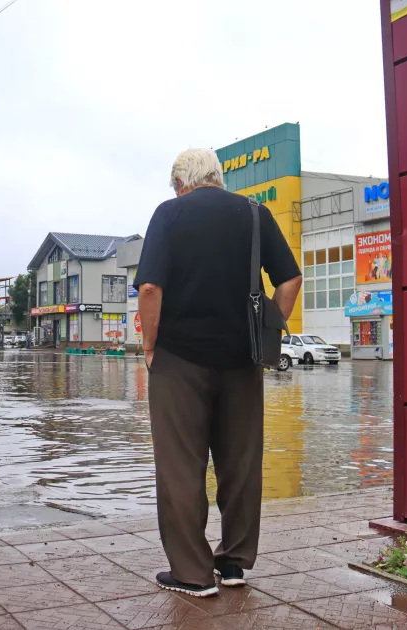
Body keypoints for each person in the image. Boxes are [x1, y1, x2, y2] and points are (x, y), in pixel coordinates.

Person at [134, 148, 302, 598]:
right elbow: (290, 280)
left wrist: (149, 345)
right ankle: (233, 563)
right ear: (218, 176)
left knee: (181, 467)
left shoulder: (170, 213)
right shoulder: (254, 213)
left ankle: (192, 573)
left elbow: (150, 287)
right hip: (242, 360)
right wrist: (267, 334)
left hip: (179, 360)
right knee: (241, 464)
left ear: (180, 183)